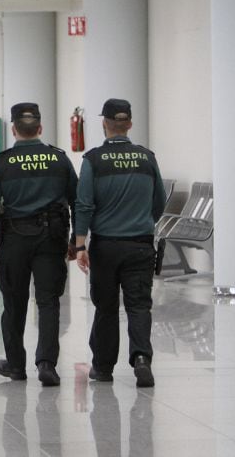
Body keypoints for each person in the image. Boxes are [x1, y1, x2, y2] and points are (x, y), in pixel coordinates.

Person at [0, 102, 78, 386]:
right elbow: (77, 201)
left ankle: (16, 366)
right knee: (48, 302)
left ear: (13, 129)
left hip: (14, 242)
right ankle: (46, 364)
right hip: (51, 240)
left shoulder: (2, 163)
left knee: (14, 303)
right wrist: (76, 242)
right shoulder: (59, 160)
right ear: (40, 128)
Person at [74, 99, 166, 387]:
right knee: (139, 305)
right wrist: (141, 221)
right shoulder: (147, 157)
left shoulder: (93, 160)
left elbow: (84, 205)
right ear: (129, 124)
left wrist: (80, 244)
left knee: (106, 307)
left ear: (104, 124)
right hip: (140, 244)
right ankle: (141, 360)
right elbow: (159, 202)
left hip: (106, 246)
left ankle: (103, 367)